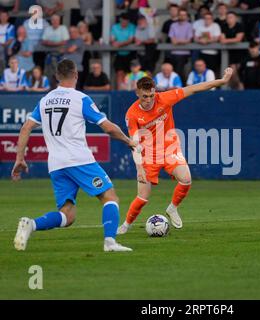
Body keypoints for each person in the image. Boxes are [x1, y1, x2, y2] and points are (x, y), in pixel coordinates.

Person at [12, 59, 136, 252]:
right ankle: (110, 242)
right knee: (110, 197)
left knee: (67, 215)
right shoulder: (80, 99)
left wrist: (20, 158)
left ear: (56, 77)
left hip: (56, 164)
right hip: (79, 159)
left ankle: (31, 224)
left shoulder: (45, 100)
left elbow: (26, 127)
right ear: (76, 75)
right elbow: (108, 127)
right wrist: (128, 141)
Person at [116, 67, 233, 235]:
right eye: (144, 96)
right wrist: (139, 168)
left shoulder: (165, 98)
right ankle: (126, 225)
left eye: (151, 96)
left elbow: (194, 88)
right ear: (137, 93)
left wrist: (222, 81)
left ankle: (172, 208)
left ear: (154, 92)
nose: (148, 100)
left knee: (186, 179)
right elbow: (134, 143)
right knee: (142, 197)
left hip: (170, 148)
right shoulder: (132, 114)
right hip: (148, 155)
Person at [111, 13, 136, 90]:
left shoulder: (132, 26)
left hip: (130, 54)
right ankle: (120, 92)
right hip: (119, 54)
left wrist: (119, 44)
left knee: (130, 74)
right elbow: (112, 39)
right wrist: (114, 42)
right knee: (119, 73)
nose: (125, 23)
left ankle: (128, 92)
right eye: (123, 21)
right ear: (120, 20)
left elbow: (131, 40)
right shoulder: (115, 27)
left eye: (126, 21)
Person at [168, 8, 193, 82]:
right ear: (178, 15)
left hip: (185, 53)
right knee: (174, 72)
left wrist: (177, 41)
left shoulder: (189, 25)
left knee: (179, 71)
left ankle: (182, 87)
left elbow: (188, 40)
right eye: (180, 15)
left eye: (184, 15)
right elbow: (172, 41)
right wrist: (182, 41)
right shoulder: (173, 25)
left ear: (186, 16)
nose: (182, 16)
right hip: (173, 53)